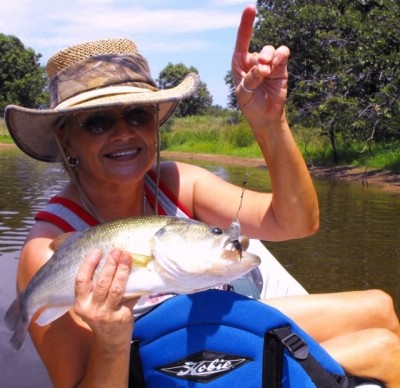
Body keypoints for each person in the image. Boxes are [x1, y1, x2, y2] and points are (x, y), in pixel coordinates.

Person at [5, 5, 400, 387]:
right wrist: (110, 339)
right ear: (66, 138)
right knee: (382, 349)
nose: (123, 132)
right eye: (98, 121)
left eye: (138, 114)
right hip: (156, 366)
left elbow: (296, 222)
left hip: (214, 331)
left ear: (155, 125)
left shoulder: (178, 183)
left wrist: (269, 122)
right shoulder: (46, 250)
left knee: (381, 307)